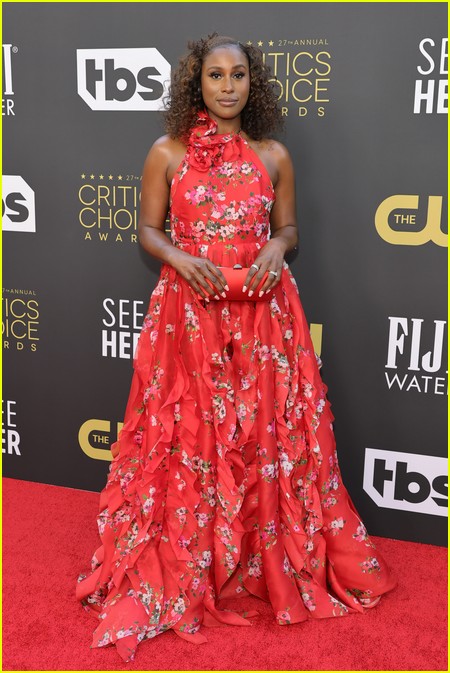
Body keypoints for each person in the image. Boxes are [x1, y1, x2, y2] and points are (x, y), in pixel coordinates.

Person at [76, 34, 396, 663]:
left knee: (263, 431)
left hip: (264, 311)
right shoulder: (166, 152)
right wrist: (179, 256)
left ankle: (257, 549)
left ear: (254, 82)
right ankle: (198, 554)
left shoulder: (274, 154)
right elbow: (146, 228)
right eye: (215, 75)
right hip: (190, 311)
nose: (228, 85)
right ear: (198, 82)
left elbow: (288, 227)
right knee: (193, 429)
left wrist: (278, 247)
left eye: (239, 74)